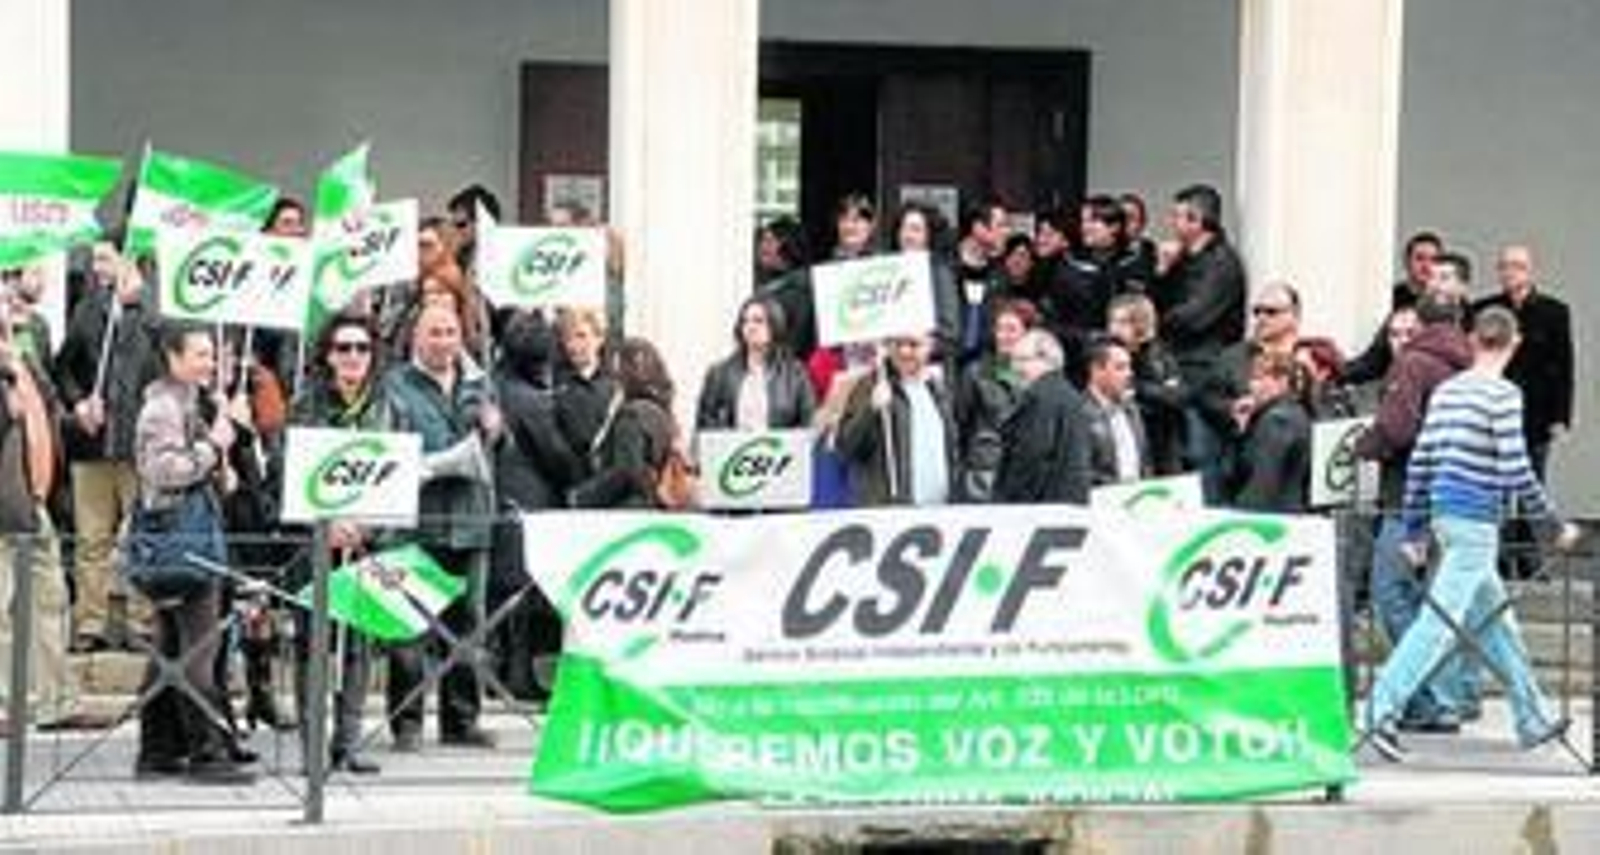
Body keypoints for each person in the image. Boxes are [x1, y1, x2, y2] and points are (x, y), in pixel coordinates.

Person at [1363, 307, 1580, 762]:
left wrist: (1418, 526)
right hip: (1476, 522)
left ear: (1474, 340)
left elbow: (1422, 458)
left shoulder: (1447, 392)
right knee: (1439, 625)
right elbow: (1516, 468)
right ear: (1513, 343)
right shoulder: (1503, 395)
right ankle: (1379, 713)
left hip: (1444, 513)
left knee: (1498, 624)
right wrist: (1554, 525)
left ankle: (1532, 718)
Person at [133, 325, 255, 783]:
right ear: (173, 357)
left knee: (168, 649)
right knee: (198, 652)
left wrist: (221, 471)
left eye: (212, 354)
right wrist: (214, 446)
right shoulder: (162, 408)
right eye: (201, 354)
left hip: (190, 540)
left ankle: (158, 749)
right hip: (183, 548)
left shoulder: (189, 404)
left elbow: (194, 473)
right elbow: (164, 471)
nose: (210, 363)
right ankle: (206, 753)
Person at [383, 303, 500, 751]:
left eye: (451, 332)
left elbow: (494, 449)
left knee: (469, 624)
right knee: (409, 628)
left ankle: (461, 720)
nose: (444, 341)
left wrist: (495, 429)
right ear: (416, 337)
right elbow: (390, 451)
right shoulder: (395, 386)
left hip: (471, 519)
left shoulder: (478, 382)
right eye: (435, 332)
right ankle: (406, 722)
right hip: (418, 522)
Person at [1355, 292, 1473, 732]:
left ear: (1423, 325)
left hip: (1409, 494)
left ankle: (1427, 701)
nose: (1401, 339)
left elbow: (1398, 428)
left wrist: (1365, 445)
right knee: (1444, 605)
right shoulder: (1470, 366)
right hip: (1459, 498)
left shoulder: (1414, 363)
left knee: (1391, 594)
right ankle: (1452, 696)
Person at [285, 312, 392, 774]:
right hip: (315, 546)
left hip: (367, 541)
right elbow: (289, 477)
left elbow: (395, 474)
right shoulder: (307, 406)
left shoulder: (385, 407)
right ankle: (314, 748)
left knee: (358, 647)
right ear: (328, 355)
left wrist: (369, 526)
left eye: (361, 348)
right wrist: (323, 526)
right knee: (316, 647)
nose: (353, 357)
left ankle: (347, 742)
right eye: (343, 348)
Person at [0, 304, 106, 733]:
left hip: (33, 501)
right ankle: (7, 701)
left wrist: (80, 420)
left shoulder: (21, 360)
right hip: (5, 506)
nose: (12, 311)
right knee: (3, 607)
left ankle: (54, 700)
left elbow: (46, 419)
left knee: (49, 600)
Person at [56, 242, 162, 651]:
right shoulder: (86, 310)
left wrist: (143, 303)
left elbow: (170, 358)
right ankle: (90, 624)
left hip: (141, 446)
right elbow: (63, 367)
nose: (95, 267)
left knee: (142, 539)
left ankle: (140, 624)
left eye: (104, 258)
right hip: (93, 445)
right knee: (91, 540)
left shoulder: (153, 311)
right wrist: (79, 402)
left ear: (128, 259)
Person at [490, 311, 582, 705]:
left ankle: (508, 671)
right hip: (529, 501)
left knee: (507, 598)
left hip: (501, 498)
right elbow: (557, 457)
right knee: (523, 598)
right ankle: (518, 675)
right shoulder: (530, 400)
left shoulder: (493, 386)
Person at [1156, 184, 1247, 496]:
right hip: (1179, 366)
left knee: (1201, 452)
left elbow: (1194, 318)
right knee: (1176, 454)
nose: (1172, 224)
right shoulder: (1182, 259)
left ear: (1198, 221)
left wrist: (1155, 321)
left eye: (1178, 217)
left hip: (1206, 372)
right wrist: (1164, 271)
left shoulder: (1222, 264)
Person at [1194, 281, 1298, 502]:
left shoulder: (1310, 356)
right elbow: (1205, 398)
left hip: (1297, 471)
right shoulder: (1233, 357)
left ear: (1294, 316)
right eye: (1257, 311)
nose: (1261, 318)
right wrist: (1232, 408)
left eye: (1271, 312)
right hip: (1245, 467)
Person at [836, 334, 956, 507]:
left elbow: (951, 448)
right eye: (898, 344)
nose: (904, 351)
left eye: (913, 345)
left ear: (930, 346)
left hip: (939, 509)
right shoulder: (870, 385)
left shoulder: (938, 389)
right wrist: (870, 409)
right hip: (893, 514)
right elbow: (845, 448)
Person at [569, 337, 682, 510]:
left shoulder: (631, 415)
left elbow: (625, 472)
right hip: (656, 507)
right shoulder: (662, 412)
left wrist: (581, 497)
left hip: (629, 510)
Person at [993, 329, 1092, 504]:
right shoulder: (1072, 396)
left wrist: (1009, 502)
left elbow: (1032, 457)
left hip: (1040, 511)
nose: (1014, 368)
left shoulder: (1038, 397)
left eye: (1021, 360)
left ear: (1045, 359)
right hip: (1071, 507)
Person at [953, 300, 1037, 502]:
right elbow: (959, 424)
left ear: (1027, 334)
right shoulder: (976, 372)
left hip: (1025, 474)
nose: (1003, 336)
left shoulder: (1036, 374)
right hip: (985, 475)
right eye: (999, 329)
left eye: (1011, 329)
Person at [695, 296, 816, 432]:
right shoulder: (719, 373)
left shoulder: (795, 374)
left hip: (780, 452)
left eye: (758, 321)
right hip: (734, 451)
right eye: (745, 321)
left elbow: (808, 423)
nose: (750, 327)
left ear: (774, 324)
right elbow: (705, 424)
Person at [1107, 294, 1187, 476]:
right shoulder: (1105, 353)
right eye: (1112, 321)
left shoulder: (1158, 356)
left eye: (1122, 322)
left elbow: (1177, 397)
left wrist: (1136, 387)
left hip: (1157, 442)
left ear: (1141, 325)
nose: (1114, 329)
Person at [1224, 351, 1311, 513]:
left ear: (1282, 381)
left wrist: (1240, 519)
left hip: (1273, 519)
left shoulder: (1277, 421)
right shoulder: (1292, 412)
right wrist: (1244, 428)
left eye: (1258, 378)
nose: (1251, 386)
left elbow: (1263, 484)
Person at [1082, 336, 1150, 487]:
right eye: (1120, 367)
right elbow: (1081, 473)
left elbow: (1144, 464)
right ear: (1096, 370)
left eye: (1129, 367)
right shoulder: (1079, 413)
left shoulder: (1132, 409)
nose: (1129, 373)